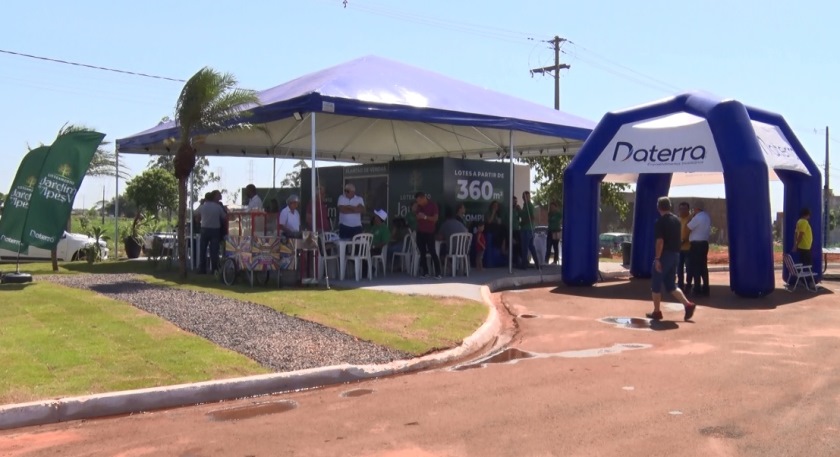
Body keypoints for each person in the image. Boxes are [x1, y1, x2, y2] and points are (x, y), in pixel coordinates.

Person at [646, 196, 696, 322]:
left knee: (656, 284)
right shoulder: (676, 220)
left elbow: (660, 241)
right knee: (670, 285)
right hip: (676, 254)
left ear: (658, 207)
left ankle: (657, 312)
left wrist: (657, 258)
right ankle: (687, 305)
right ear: (670, 206)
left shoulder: (660, 222)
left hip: (665, 255)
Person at [196, 190, 226, 274]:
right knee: (214, 251)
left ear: (205, 199)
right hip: (215, 230)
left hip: (204, 229)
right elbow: (224, 217)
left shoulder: (202, 207)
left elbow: (197, 218)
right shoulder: (218, 207)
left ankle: (202, 269)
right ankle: (214, 269)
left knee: (203, 250)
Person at [414, 191, 441, 279]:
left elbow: (435, 219)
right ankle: (425, 272)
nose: (418, 203)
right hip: (420, 231)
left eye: (419, 201)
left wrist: (425, 217)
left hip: (430, 232)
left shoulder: (433, 205)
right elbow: (417, 217)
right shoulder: (419, 207)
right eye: (417, 201)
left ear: (423, 198)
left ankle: (438, 273)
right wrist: (418, 215)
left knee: (432, 251)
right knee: (422, 252)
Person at [687, 200, 711, 296]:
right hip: (704, 243)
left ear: (696, 208)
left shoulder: (697, 217)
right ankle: (706, 287)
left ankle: (697, 288)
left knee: (696, 266)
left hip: (696, 244)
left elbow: (688, 227)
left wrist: (691, 218)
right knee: (703, 266)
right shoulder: (706, 216)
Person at [518, 191, 539, 269]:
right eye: (524, 196)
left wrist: (523, 223)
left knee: (525, 247)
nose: (525, 198)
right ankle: (537, 264)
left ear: (529, 197)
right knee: (531, 247)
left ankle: (524, 265)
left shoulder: (529, 206)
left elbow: (532, 217)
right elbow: (523, 215)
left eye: (527, 196)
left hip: (527, 229)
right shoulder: (524, 206)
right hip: (527, 229)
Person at [677, 201, 693, 291]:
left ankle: (689, 284)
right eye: (681, 209)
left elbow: (691, 232)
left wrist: (684, 241)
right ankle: (680, 285)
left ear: (688, 209)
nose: (682, 211)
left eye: (684, 209)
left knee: (689, 268)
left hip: (689, 248)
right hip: (679, 248)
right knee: (679, 268)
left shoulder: (691, 219)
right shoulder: (677, 219)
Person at [545, 201, 562, 265]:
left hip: (555, 231)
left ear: (555, 207)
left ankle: (555, 260)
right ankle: (546, 260)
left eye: (553, 207)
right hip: (550, 231)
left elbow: (560, 219)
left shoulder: (558, 214)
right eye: (551, 207)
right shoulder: (550, 214)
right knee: (548, 246)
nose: (552, 208)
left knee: (555, 247)